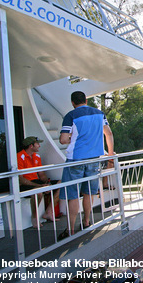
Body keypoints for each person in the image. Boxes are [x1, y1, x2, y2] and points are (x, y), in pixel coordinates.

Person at [58, 91, 114, 239]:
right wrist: (110, 154)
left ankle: (70, 230)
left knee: (73, 195)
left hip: (75, 159)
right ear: (86, 100)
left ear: (72, 102)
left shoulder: (71, 116)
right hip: (94, 159)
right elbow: (108, 133)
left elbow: (63, 140)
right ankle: (87, 221)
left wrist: (72, 137)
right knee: (89, 192)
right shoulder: (99, 114)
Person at [17, 136, 60, 229]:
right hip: (25, 184)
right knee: (38, 192)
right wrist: (40, 186)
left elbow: (41, 174)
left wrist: (47, 183)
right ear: (31, 146)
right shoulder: (19, 156)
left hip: (37, 183)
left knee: (61, 183)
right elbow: (21, 179)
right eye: (37, 144)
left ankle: (48, 212)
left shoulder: (37, 156)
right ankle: (34, 217)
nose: (39, 146)